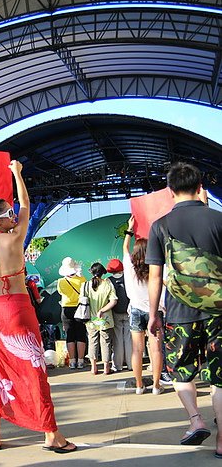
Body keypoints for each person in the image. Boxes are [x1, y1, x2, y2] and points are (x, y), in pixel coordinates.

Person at [0, 160, 76, 453]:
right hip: (16, 307)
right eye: (8, 214)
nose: (13, 216)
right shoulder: (14, 237)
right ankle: (51, 435)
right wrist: (17, 174)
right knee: (34, 372)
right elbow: (26, 205)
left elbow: (18, 210)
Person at [147, 162, 222, 455]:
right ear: (199, 186)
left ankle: (195, 420)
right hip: (219, 311)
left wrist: (154, 314)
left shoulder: (160, 226)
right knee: (220, 378)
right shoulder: (218, 219)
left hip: (180, 313)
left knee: (181, 372)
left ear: (170, 189)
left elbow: (155, 276)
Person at [123, 219, 163, 394]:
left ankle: (139, 385)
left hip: (136, 310)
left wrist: (130, 230)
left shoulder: (130, 267)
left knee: (137, 350)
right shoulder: (155, 267)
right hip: (155, 311)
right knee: (156, 349)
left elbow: (125, 249)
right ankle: (156, 385)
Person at [81, 263, 117, 375]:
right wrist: (102, 310)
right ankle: (106, 367)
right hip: (105, 319)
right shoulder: (108, 284)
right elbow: (114, 301)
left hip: (91, 319)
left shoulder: (85, 285)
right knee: (106, 342)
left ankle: (94, 367)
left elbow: (81, 301)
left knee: (92, 341)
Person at [57, 257, 87, 369]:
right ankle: (81, 361)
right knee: (81, 334)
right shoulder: (82, 279)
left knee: (70, 335)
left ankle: (72, 361)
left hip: (66, 309)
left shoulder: (61, 282)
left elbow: (61, 292)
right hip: (80, 308)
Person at [106, 258, 133, 373]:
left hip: (115, 312)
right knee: (129, 338)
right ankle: (131, 363)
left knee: (117, 339)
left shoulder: (108, 280)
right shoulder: (128, 277)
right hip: (128, 311)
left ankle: (118, 365)